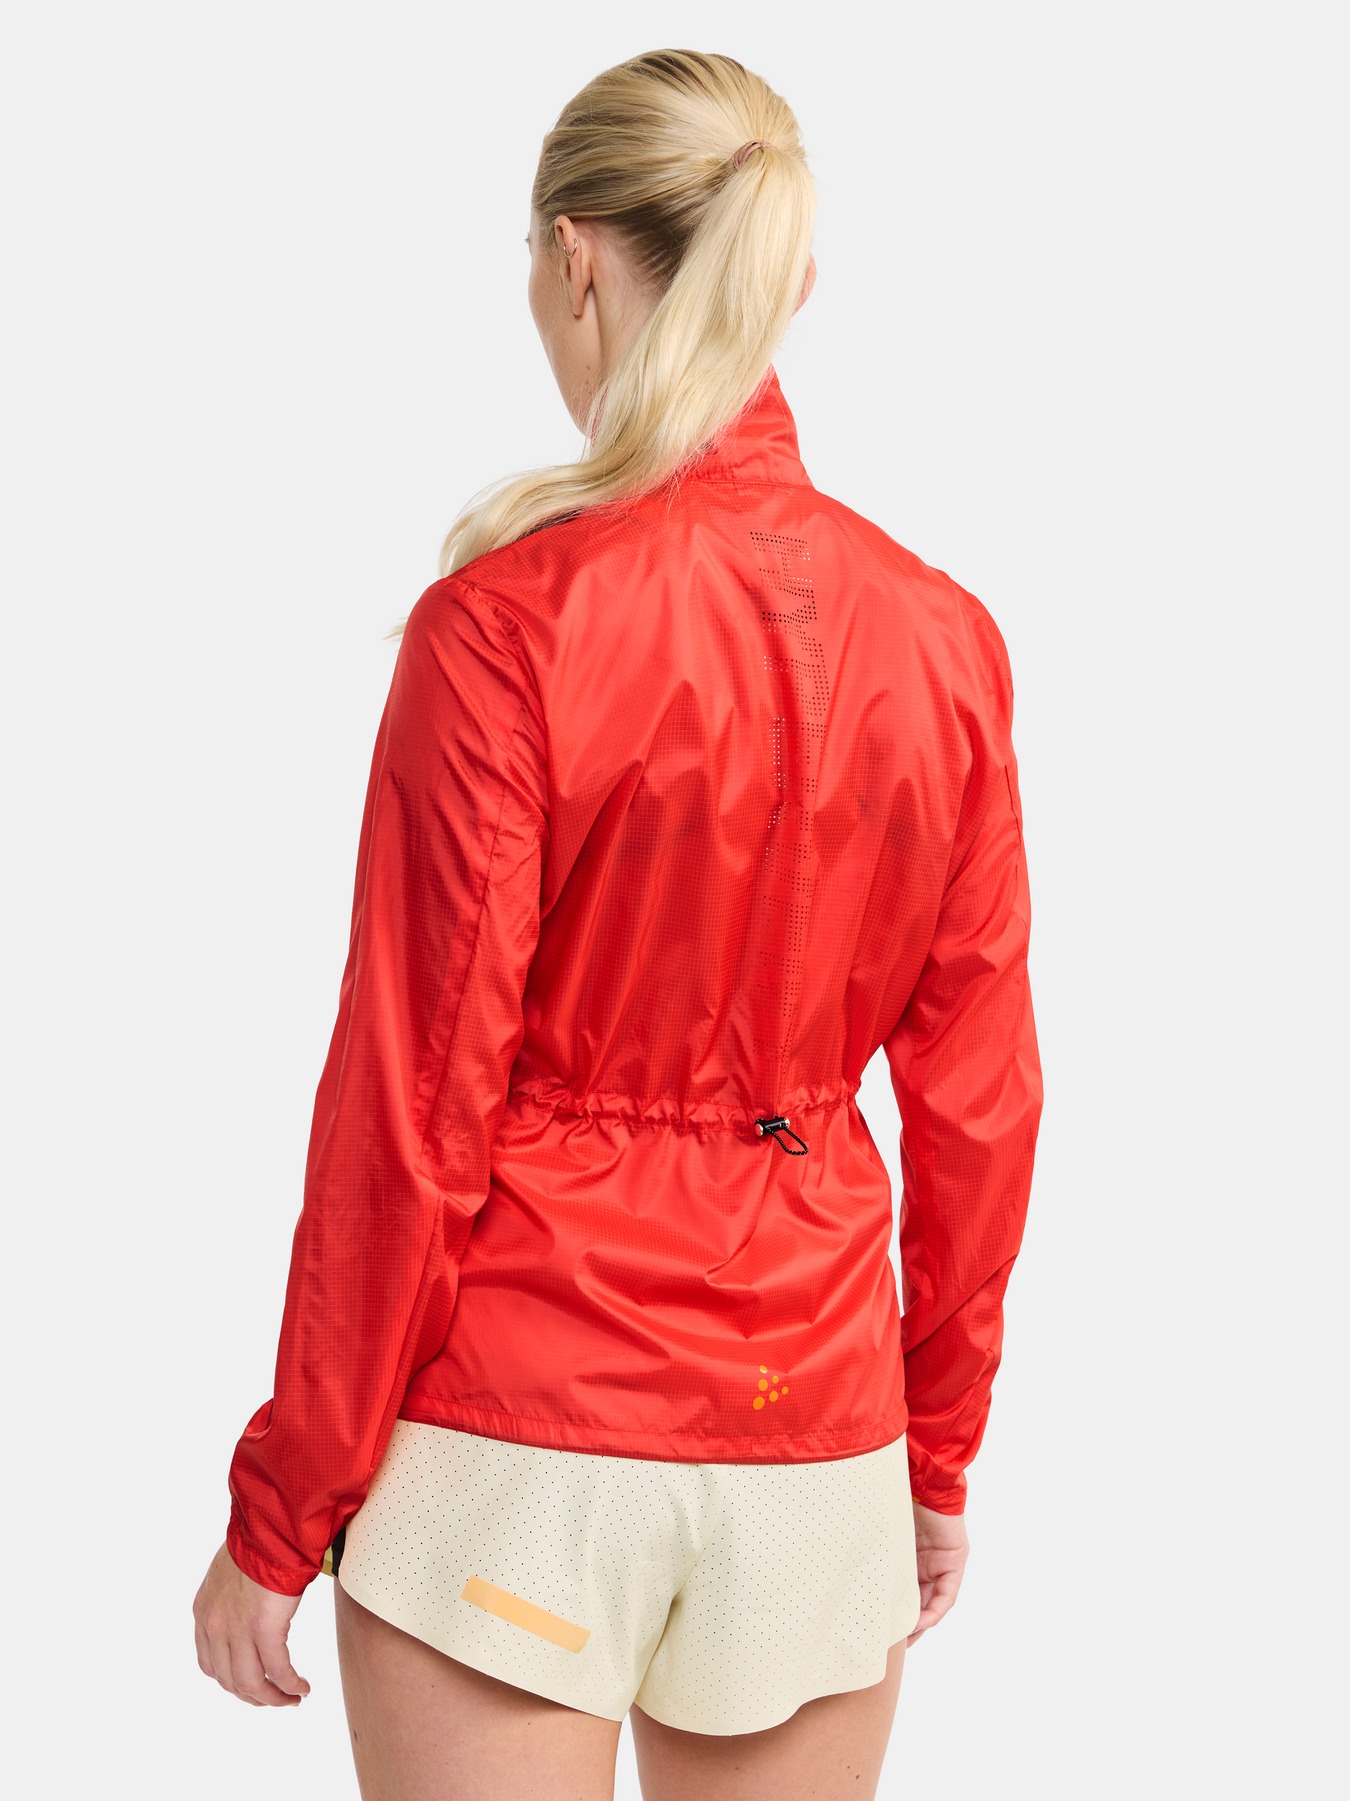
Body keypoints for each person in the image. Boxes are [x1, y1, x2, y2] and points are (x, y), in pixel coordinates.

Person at [193, 46, 1043, 1801]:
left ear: (573, 259)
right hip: (811, 1433)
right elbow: (981, 1106)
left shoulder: (505, 629)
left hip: (519, 1435)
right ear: (789, 275)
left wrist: (286, 1500)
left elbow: (411, 1110)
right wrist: (934, 1448)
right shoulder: (944, 641)